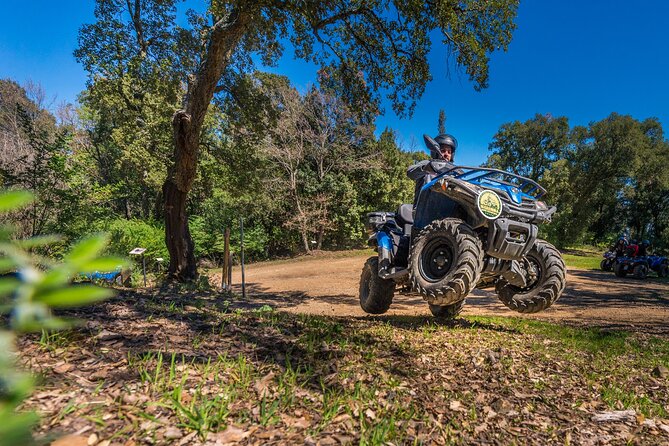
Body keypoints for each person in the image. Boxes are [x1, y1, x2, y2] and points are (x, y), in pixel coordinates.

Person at [407, 134, 458, 206]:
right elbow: (410, 172)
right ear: (435, 151)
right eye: (443, 151)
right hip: (423, 209)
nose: (446, 154)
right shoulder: (428, 163)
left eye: (449, 152)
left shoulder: (453, 171)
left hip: (445, 211)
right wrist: (426, 168)